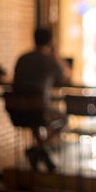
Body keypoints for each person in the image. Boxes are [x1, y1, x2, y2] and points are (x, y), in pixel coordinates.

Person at [13, 27, 72, 172]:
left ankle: (41, 153)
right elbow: (67, 75)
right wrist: (55, 53)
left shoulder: (22, 58)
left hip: (16, 110)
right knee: (64, 120)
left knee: (34, 121)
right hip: (38, 111)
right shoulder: (48, 61)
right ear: (51, 41)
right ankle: (37, 149)